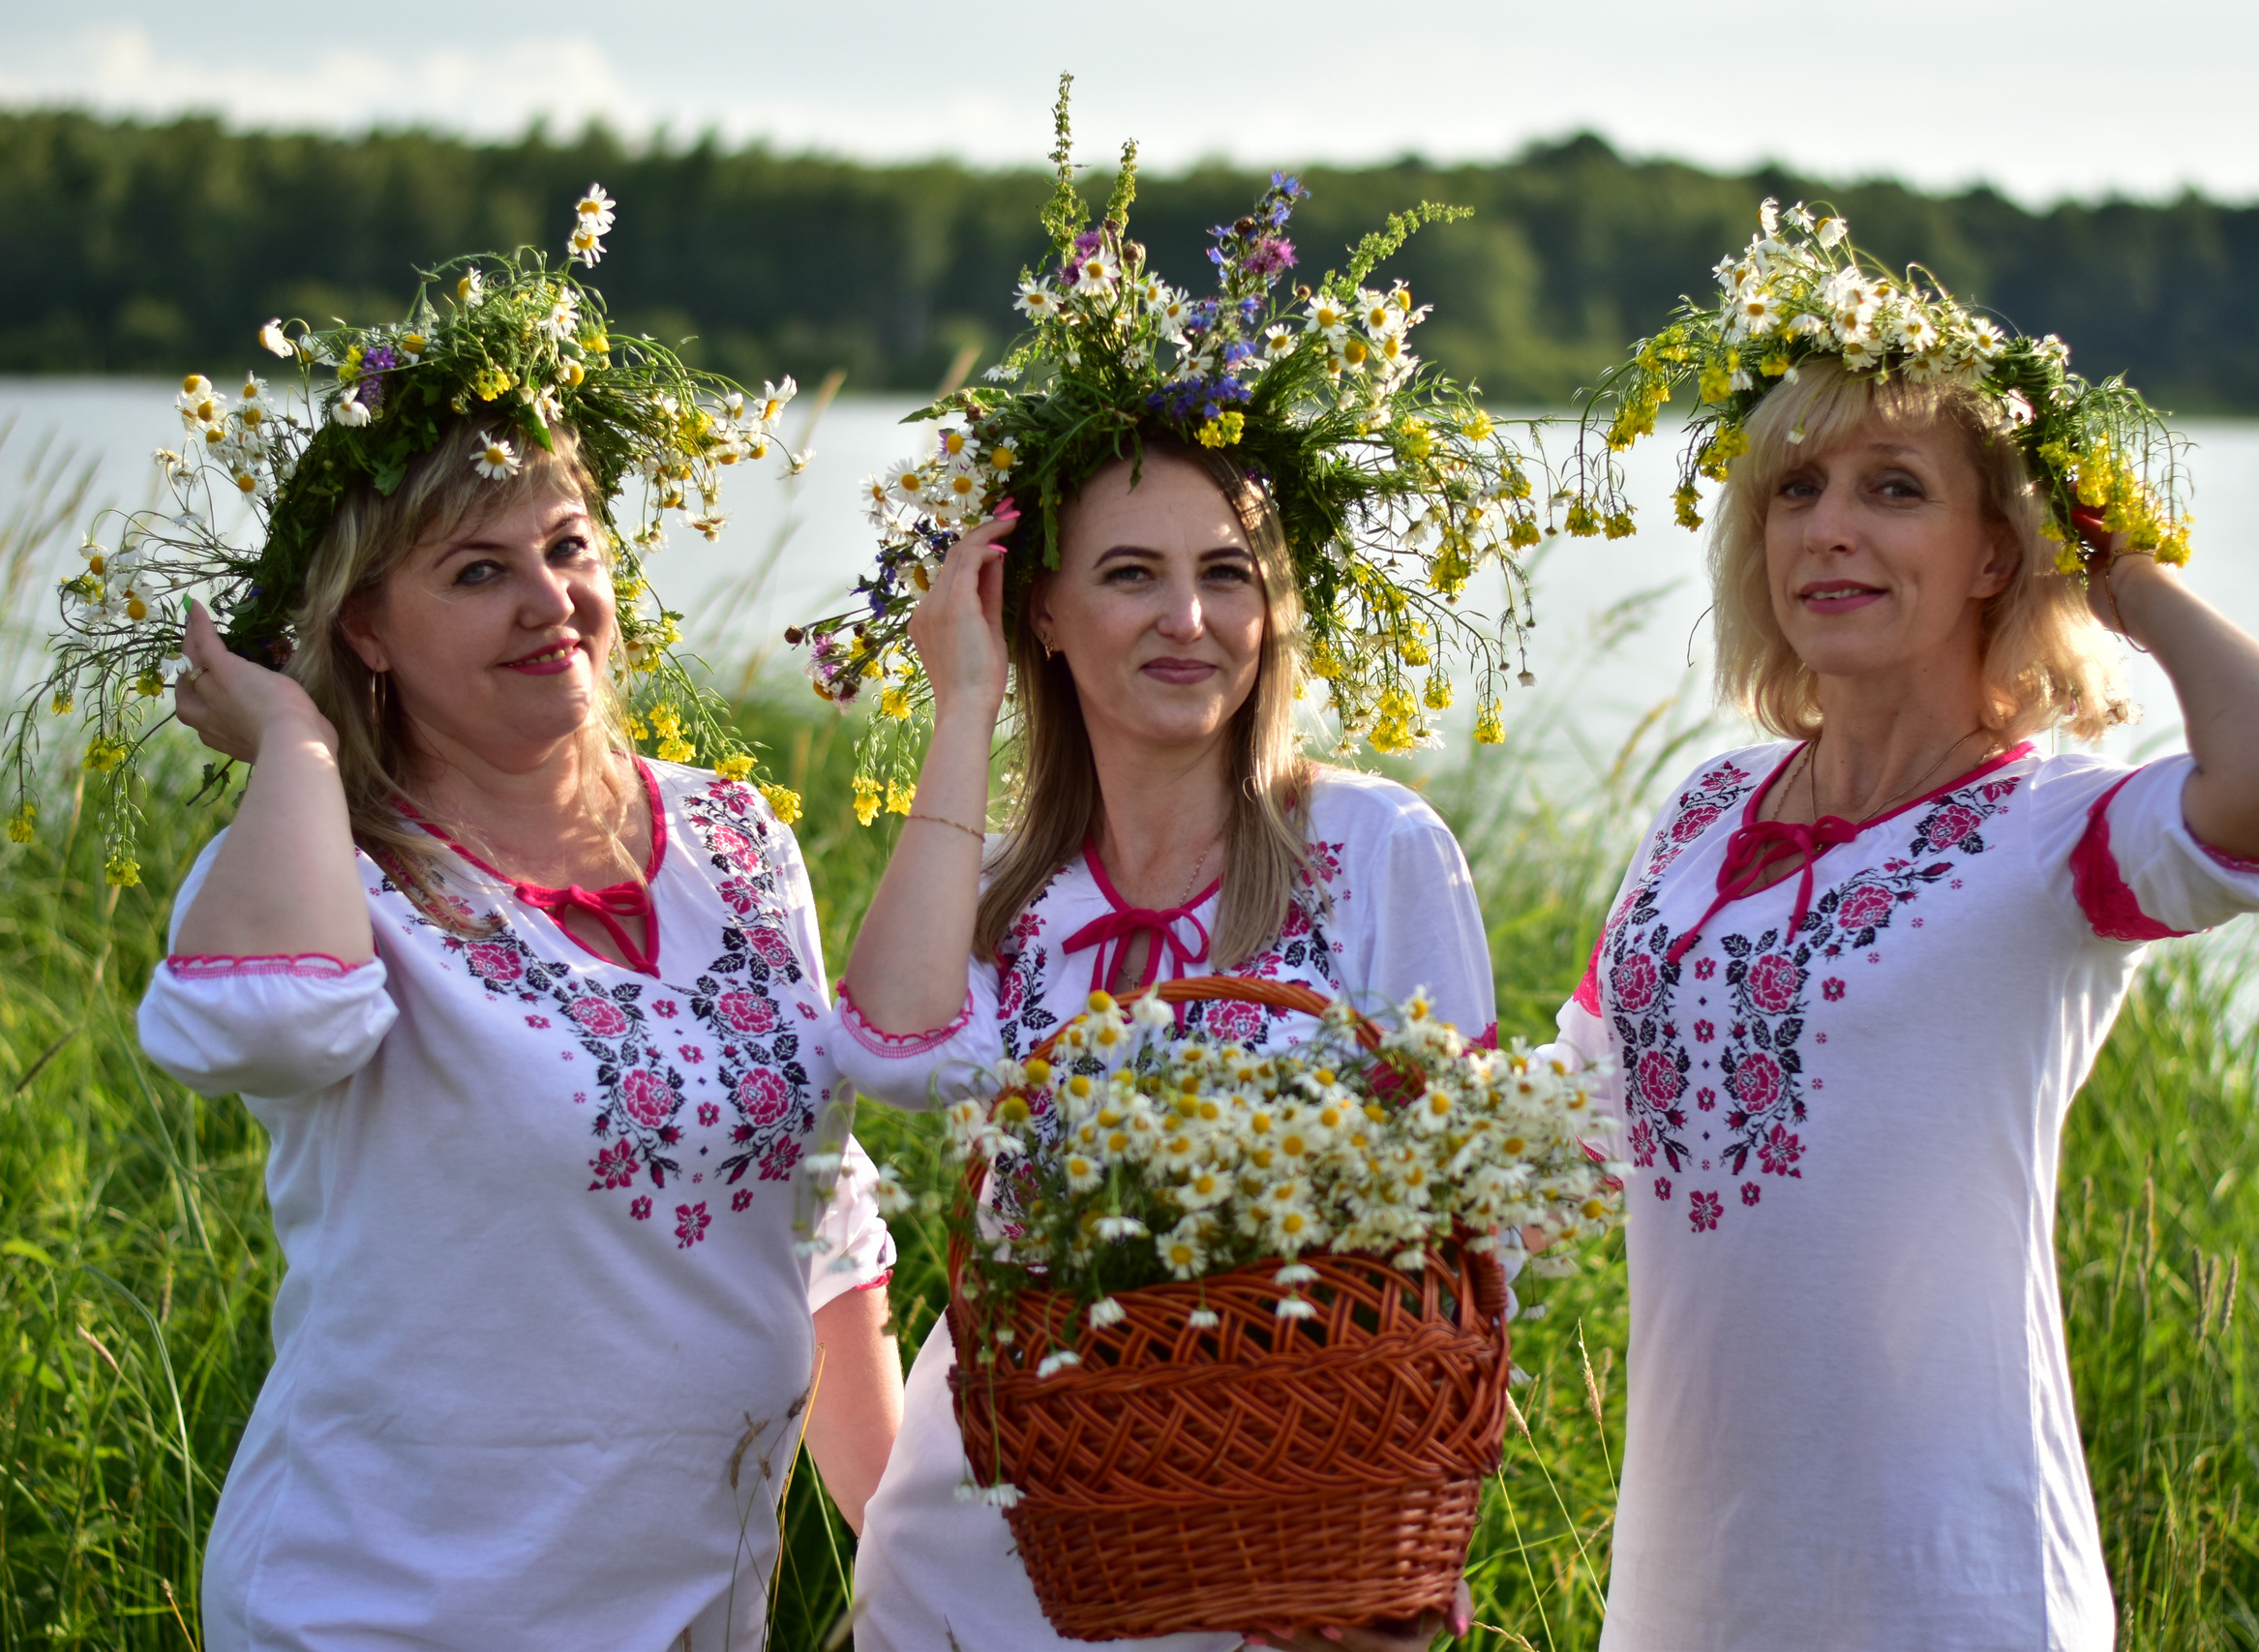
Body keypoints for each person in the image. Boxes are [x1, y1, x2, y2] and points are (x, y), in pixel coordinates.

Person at [87, 197, 903, 1650]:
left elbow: (820, 1213)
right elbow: (267, 1025)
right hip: (394, 1604)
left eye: (569, 546)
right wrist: (297, 746)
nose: (553, 603)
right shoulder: (335, 866)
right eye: (478, 570)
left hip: (691, 1602)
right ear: (366, 627)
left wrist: (901, 1566)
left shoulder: (731, 833)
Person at [1554, 204, 2259, 1649]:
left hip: (1955, 1582)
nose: (1832, 527)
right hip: (1692, 1581)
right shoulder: (1699, 807)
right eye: (1796, 486)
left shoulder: (2056, 831)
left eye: (1896, 488)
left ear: (1995, 552)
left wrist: (2125, 573)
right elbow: (1567, 1114)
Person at [829, 445, 1494, 1652]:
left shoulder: (1371, 845)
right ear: (1041, 610)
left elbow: (1467, 1226)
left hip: (1268, 1547)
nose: (1187, 619)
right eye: (1130, 574)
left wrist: (1404, 1549)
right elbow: (894, 1054)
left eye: (1226, 573)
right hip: (981, 1542)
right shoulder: (994, 889)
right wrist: (964, 703)